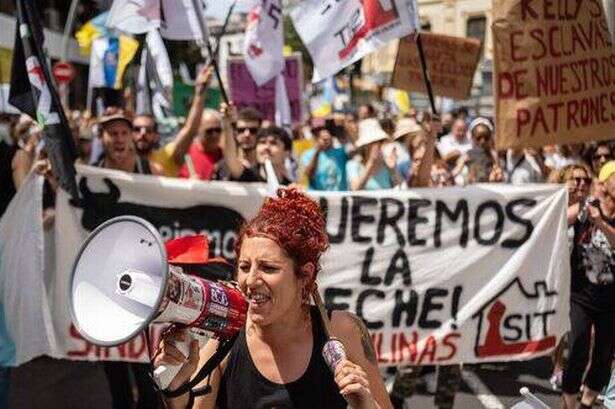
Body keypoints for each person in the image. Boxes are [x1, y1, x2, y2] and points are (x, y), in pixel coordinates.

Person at [155, 188, 392, 409]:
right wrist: (175, 389)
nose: (250, 280)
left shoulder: (342, 331)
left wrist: (366, 403)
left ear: (305, 275)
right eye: (245, 266)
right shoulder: (223, 340)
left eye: (268, 268)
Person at [562, 161, 615, 409]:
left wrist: (601, 224)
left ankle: (586, 404)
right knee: (577, 351)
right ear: (604, 183)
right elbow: (559, 220)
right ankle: (569, 404)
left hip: (611, 300)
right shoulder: (587, 206)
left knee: (603, 357)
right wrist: (580, 202)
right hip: (581, 296)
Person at [132, 66, 213, 177]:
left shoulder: (166, 157)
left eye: (148, 130)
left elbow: (190, 130)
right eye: (137, 129)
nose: (142, 133)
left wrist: (200, 92)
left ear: (156, 136)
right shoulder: (119, 161)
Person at [221, 104, 292, 185]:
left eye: (273, 143)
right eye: (262, 142)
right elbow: (231, 160)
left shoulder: (290, 190)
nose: (266, 147)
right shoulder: (247, 177)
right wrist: (228, 124)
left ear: (287, 152)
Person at [346, 118, 401, 191]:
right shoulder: (352, 165)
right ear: (365, 146)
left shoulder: (386, 163)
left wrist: (393, 168)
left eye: (380, 141)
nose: (378, 145)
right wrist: (371, 163)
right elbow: (355, 189)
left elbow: (399, 188)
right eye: (373, 143)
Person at [178, 109, 223, 180]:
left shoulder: (224, 155)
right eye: (209, 131)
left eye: (218, 130)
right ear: (198, 130)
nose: (215, 135)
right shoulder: (186, 154)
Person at [301, 125, 348, 191]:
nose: (326, 141)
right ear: (316, 139)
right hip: (318, 197)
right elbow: (309, 174)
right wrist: (317, 151)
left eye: (328, 138)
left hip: (339, 197)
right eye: (324, 139)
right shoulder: (307, 155)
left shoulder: (340, 152)